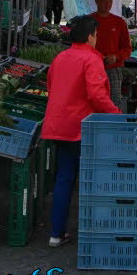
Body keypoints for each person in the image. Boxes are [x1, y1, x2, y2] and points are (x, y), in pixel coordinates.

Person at [41, 16, 121, 247]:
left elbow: (51, 87)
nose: (96, 39)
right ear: (90, 36)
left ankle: (56, 233)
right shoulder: (91, 59)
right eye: (96, 35)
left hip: (58, 125)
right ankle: (94, 232)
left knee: (64, 179)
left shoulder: (61, 57)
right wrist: (116, 114)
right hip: (81, 127)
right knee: (93, 179)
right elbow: (97, 96)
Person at [90, 0, 132, 111]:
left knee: (114, 100)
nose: (107, 4)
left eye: (110, 1)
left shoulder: (119, 22)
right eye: (103, 1)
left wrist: (116, 56)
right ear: (96, 1)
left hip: (113, 69)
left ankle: (114, 125)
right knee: (93, 99)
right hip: (92, 68)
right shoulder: (89, 21)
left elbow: (127, 48)